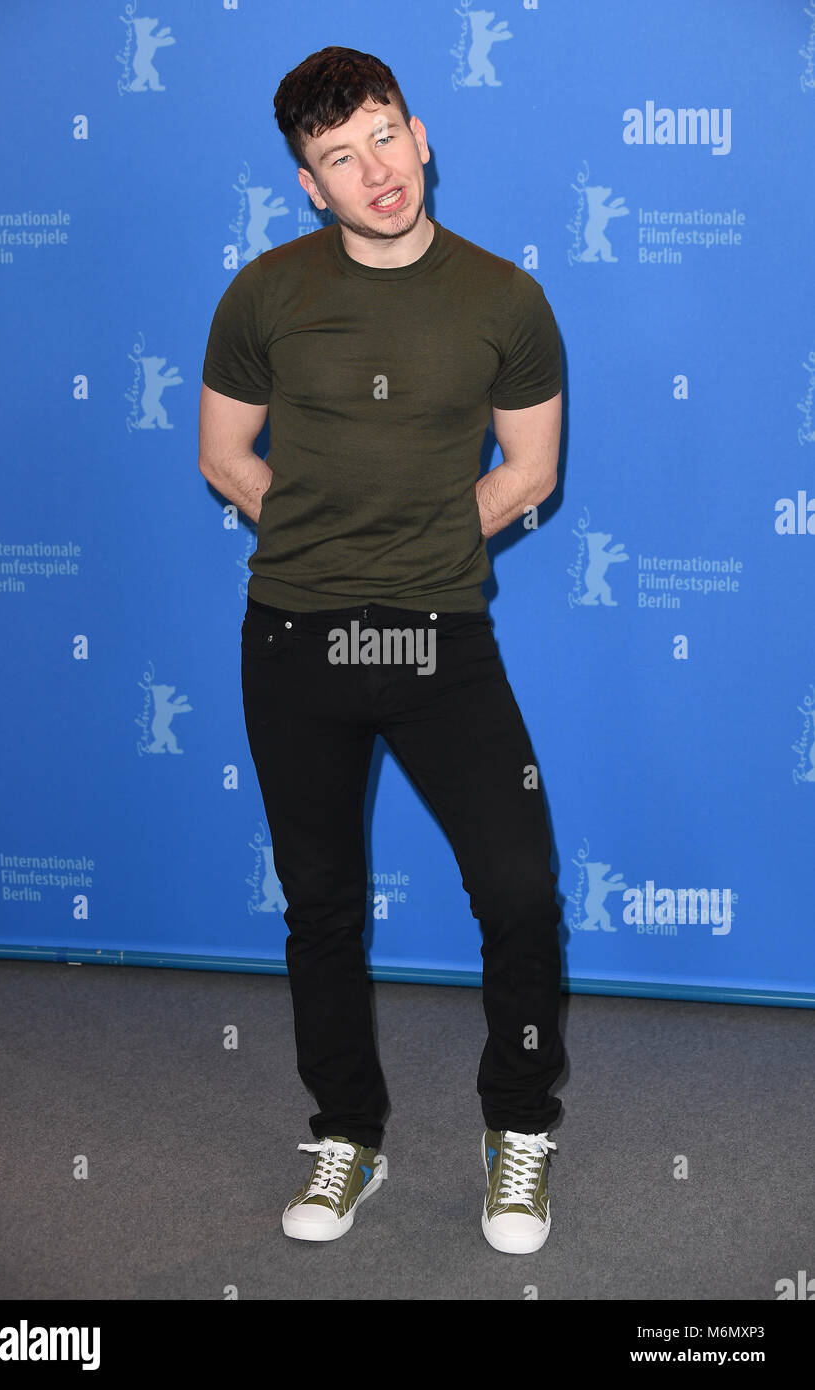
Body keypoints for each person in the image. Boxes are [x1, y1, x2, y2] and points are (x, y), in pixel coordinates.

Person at [199, 46, 565, 1256]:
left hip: (440, 637)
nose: (373, 172)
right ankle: (346, 1131)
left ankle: (517, 1129)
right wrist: (320, 534)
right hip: (294, 635)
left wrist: (411, 541)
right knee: (321, 906)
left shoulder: (505, 299)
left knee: (515, 886)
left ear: (420, 132)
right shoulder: (264, 293)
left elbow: (530, 472)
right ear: (309, 185)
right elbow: (223, 455)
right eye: (337, 158)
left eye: (382, 137)